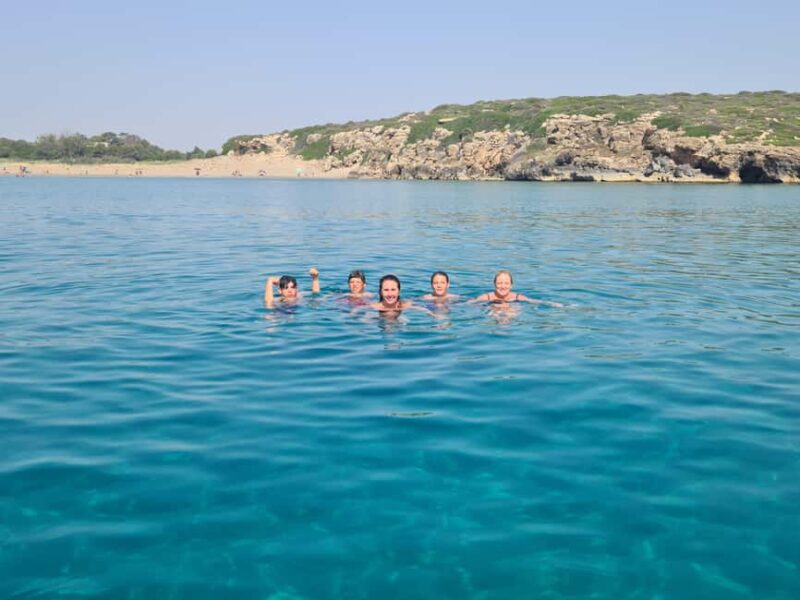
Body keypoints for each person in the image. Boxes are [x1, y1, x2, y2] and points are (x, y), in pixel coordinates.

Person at [472, 270, 563, 307]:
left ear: (511, 285)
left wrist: (553, 304)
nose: (503, 286)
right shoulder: (487, 297)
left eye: (506, 283)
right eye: (499, 283)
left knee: (512, 308)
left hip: (511, 308)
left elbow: (535, 301)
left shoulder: (517, 297)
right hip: (493, 308)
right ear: (494, 284)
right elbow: (470, 303)